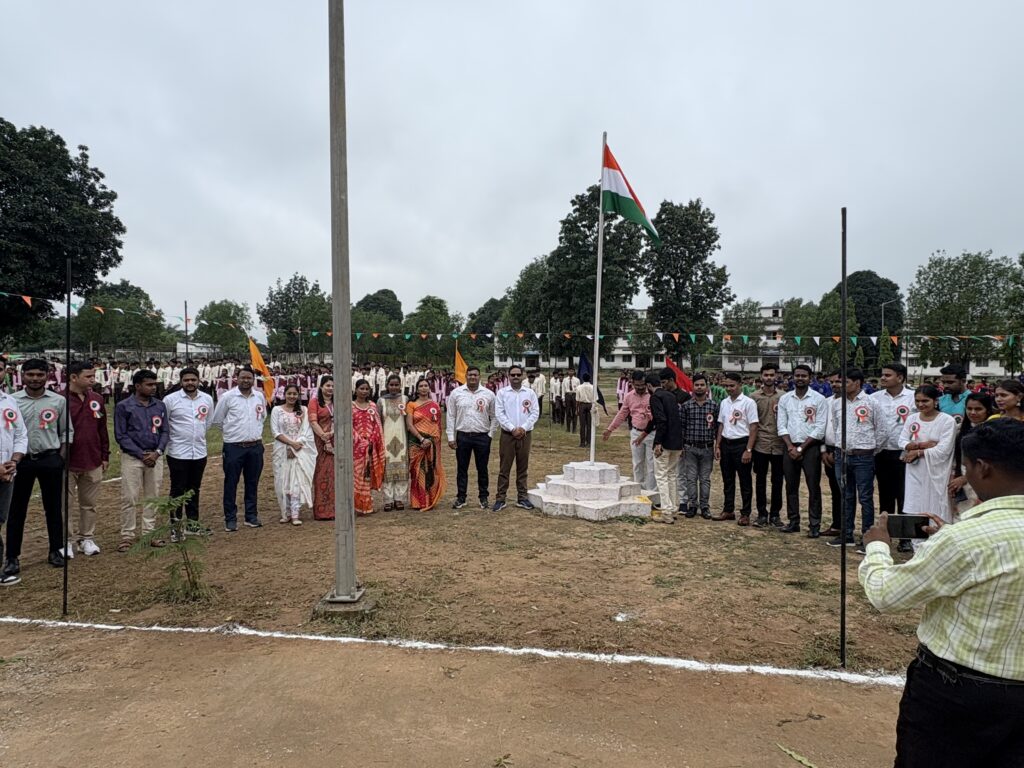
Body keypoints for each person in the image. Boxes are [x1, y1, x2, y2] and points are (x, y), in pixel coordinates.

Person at [859, 419, 1024, 767]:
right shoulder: (962, 537)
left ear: (982, 467)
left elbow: (886, 594)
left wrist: (877, 547)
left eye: (966, 467)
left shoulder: (964, 540)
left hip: (956, 691)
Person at [5, 359, 74, 577]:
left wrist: (60, 458)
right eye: (30, 374)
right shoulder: (12, 401)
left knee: (53, 508)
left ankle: (56, 550)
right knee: (16, 510)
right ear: (22, 375)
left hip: (49, 459)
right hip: (21, 462)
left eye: (40, 375)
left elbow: (66, 431)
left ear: (47, 376)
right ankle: (12, 557)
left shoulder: (58, 401)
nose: (35, 379)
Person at [113, 369, 169, 551]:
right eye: (149, 384)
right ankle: (127, 535)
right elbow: (121, 435)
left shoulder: (159, 406)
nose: (153, 388)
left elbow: (165, 431)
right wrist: (140, 454)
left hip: (155, 456)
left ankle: (149, 533)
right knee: (130, 497)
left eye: (154, 384)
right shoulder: (124, 406)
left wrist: (158, 452)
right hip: (133, 457)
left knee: (153, 497)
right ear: (137, 386)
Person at [210, 366, 267, 532]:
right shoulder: (227, 397)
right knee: (231, 482)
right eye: (243, 377)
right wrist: (233, 433)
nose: (246, 380)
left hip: (255, 447)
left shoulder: (259, 396)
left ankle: (251, 516)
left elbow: (262, 417)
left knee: (252, 482)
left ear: (253, 380)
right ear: (237, 378)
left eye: (249, 378)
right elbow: (217, 420)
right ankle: (230, 518)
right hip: (234, 447)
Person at [827, 368, 880, 548]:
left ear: (857, 383)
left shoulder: (872, 402)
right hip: (842, 456)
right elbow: (836, 427)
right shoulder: (837, 403)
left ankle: (867, 537)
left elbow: (881, 430)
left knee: (865, 498)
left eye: (846, 382)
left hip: (863, 456)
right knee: (846, 496)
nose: (841, 385)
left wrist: (870, 450)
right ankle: (846, 534)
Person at [899, 385, 958, 547]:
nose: (921, 404)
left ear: (935, 401)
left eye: (925, 401)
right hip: (915, 471)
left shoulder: (947, 421)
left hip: (937, 472)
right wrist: (922, 445)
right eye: (917, 401)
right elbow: (902, 441)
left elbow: (943, 450)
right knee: (915, 506)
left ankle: (939, 545)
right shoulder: (912, 419)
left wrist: (918, 452)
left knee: (936, 506)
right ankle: (917, 547)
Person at [776, 364, 827, 536]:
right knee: (791, 486)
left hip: (810, 447)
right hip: (789, 446)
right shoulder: (785, 399)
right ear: (793, 377)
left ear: (810, 378)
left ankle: (814, 525)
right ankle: (793, 521)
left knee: (813, 487)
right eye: (797, 375)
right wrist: (791, 447)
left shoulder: (819, 399)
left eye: (804, 376)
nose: (800, 378)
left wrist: (801, 448)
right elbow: (781, 425)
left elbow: (820, 428)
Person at [163, 366, 215, 535]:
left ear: (199, 381)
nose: (190, 383)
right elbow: (165, 424)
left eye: (193, 380)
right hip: (178, 453)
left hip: (199, 452)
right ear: (181, 382)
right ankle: (176, 528)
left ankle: (193, 525)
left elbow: (207, 423)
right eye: (186, 380)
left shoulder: (207, 399)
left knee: (194, 489)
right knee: (177, 490)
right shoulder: (170, 400)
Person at [65, 361, 110, 556]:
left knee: (89, 503)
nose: (93, 380)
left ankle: (87, 538)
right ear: (74, 377)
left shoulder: (97, 398)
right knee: (65, 505)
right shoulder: (60, 400)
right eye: (88, 376)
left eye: (94, 376)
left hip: (92, 459)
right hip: (67, 461)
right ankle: (67, 541)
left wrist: (105, 455)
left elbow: (102, 428)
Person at [871, 364, 917, 545]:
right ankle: (886, 534)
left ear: (900, 378)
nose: (883, 378)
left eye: (888, 375)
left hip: (905, 454)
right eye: (882, 375)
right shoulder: (874, 398)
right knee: (885, 495)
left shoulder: (913, 398)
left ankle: (905, 538)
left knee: (905, 496)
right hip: (882, 452)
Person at [446, 367, 496, 509]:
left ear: (479, 376)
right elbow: (451, 415)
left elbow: (494, 416)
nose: (472, 377)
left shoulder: (489, 394)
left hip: (482, 436)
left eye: (475, 375)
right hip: (463, 436)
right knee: (462, 468)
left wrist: (490, 434)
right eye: (470, 375)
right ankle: (461, 497)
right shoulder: (456, 393)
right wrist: (450, 436)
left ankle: (483, 497)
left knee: (482, 468)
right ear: (466, 376)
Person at [713, 372, 759, 525]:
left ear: (740, 385)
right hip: (726, 444)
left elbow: (754, 427)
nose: (729, 389)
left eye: (732, 386)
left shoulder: (748, 403)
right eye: (726, 386)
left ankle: (745, 513)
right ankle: (728, 510)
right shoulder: (724, 402)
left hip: (742, 444)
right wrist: (718, 445)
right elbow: (721, 424)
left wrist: (749, 449)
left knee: (745, 480)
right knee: (727, 479)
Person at [603, 370, 656, 499]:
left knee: (651, 465)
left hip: (651, 434)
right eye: (637, 385)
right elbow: (622, 414)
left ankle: (651, 493)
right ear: (632, 383)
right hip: (636, 433)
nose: (640, 388)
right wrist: (610, 429)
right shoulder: (629, 396)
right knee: (637, 463)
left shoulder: (653, 395)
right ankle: (639, 490)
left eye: (642, 385)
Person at [493, 365, 540, 511]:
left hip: (525, 435)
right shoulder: (502, 393)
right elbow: (499, 413)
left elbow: (535, 412)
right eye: (512, 375)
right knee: (504, 468)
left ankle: (522, 498)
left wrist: (523, 428)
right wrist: (512, 428)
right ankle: (501, 498)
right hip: (508, 435)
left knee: (522, 467)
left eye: (518, 374)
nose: (515, 377)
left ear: (523, 375)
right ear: (508, 376)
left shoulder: (530, 393)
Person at [0, 357, 28, 586]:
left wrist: (15, 460)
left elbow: (20, 434)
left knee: (0, 520)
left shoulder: (9, 401)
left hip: (7, 471)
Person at [270, 384, 315, 525]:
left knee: (296, 482)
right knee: (282, 481)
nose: (292, 396)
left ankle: (295, 514)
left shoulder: (303, 410)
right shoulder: (277, 410)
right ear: (284, 394)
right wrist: (290, 445)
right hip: (282, 451)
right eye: (289, 393)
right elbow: (275, 432)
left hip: (299, 450)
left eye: (295, 394)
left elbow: (306, 431)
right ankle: (286, 513)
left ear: (298, 395)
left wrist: (296, 446)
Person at [948, 393, 995, 520]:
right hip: (961, 481)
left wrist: (966, 478)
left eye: (978, 409)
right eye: (969, 408)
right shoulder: (959, 430)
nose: (973, 412)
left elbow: (994, 461)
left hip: (986, 480)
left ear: (988, 410)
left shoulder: (994, 431)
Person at [679, 374, 718, 519]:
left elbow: (717, 428)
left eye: (702, 385)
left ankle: (705, 506)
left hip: (707, 448)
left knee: (705, 479)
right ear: (693, 386)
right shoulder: (686, 406)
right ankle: (692, 505)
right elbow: (682, 428)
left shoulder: (713, 406)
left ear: (707, 387)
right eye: (697, 385)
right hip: (690, 448)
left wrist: (717, 446)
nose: (699, 387)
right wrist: (682, 447)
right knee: (690, 478)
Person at [647, 370, 683, 524]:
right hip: (677, 441)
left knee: (661, 476)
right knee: (671, 475)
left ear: (649, 385)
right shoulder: (671, 395)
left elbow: (661, 420)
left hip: (665, 442)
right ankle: (673, 508)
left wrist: (658, 442)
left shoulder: (656, 397)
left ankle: (666, 511)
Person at [751, 363, 785, 527]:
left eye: (772, 375)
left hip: (779, 444)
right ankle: (762, 514)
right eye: (766, 375)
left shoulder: (784, 397)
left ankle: (775, 514)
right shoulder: (753, 397)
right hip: (760, 444)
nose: (769, 378)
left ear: (776, 376)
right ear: (761, 376)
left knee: (778, 481)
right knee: (760, 480)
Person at [406, 378, 446, 511]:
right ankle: (418, 501)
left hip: (432, 444)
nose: (423, 388)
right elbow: (409, 425)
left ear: (429, 388)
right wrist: (422, 439)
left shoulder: (435, 405)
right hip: (416, 442)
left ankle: (430, 499)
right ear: (417, 389)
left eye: (426, 386)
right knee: (417, 472)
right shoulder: (411, 405)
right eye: (421, 386)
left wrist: (432, 441)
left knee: (431, 470)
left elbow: (438, 426)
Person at [352, 379, 385, 515]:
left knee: (367, 476)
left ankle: (366, 505)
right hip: (355, 447)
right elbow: (349, 426)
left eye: (367, 389)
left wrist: (372, 441)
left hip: (371, 447)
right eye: (361, 388)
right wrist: (360, 441)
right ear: (356, 390)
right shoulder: (351, 406)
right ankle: (355, 505)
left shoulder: (372, 405)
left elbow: (377, 425)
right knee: (356, 476)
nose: (364, 391)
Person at [378, 374, 409, 511]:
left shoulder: (405, 399)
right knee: (387, 468)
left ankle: (399, 498)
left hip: (402, 438)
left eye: (396, 385)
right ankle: (388, 499)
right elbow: (379, 421)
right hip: (386, 438)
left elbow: (408, 420)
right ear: (387, 386)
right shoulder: (381, 401)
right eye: (391, 385)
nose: (394, 387)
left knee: (402, 467)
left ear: (400, 386)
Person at [307, 375, 336, 520]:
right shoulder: (314, 402)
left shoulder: (338, 402)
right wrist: (324, 436)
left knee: (335, 476)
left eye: (333, 386)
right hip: (320, 443)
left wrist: (332, 433)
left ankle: (335, 509)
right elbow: (313, 421)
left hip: (336, 441)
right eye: (328, 385)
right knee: (321, 475)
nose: (330, 388)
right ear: (321, 387)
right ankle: (322, 511)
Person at [575, 373, 596, 448]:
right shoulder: (593, 387)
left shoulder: (579, 387)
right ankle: (589, 442)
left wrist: (577, 409)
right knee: (589, 425)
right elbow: (595, 399)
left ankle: (582, 442)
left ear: (582, 379)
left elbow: (577, 400)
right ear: (589, 379)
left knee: (582, 425)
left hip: (582, 405)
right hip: (590, 405)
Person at [562, 367, 579, 434]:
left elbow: (578, 390)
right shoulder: (565, 380)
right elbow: (563, 390)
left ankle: (574, 428)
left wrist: (578, 399)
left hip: (574, 395)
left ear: (574, 372)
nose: (571, 372)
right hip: (567, 395)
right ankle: (568, 428)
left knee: (575, 412)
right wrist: (563, 399)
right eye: (569, 371)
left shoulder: (577, 380)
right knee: (568, 412)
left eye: (572, 371)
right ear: (568, 372)